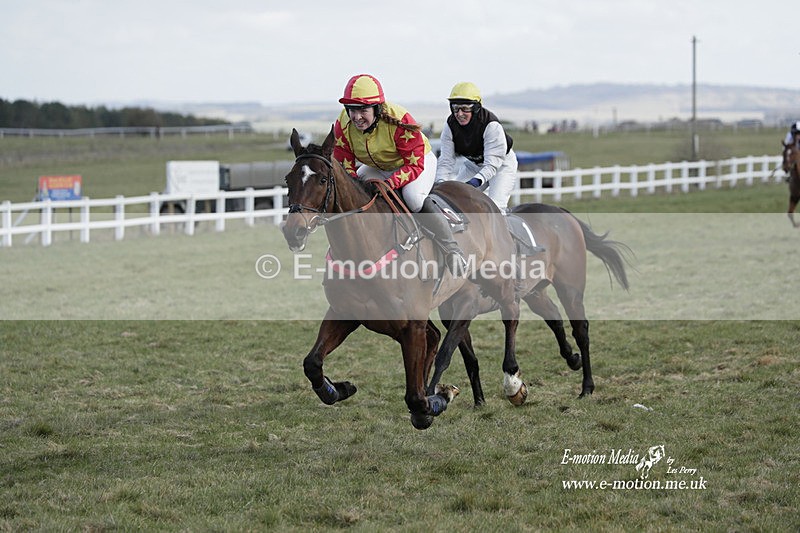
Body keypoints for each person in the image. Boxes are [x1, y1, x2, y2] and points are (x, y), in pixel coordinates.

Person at [333, 73, 467, 274]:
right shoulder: (342, 125)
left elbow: (413, 164)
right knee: (356, 188)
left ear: (377, 109)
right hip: (379, 165)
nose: (357, 117)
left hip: (417, 161)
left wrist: (390, 184)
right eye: (351, 110)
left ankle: (452, 250)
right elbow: (345, 163)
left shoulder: (399, 120)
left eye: (363, 110)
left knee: (413, 198)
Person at [435, 82, 518, 213]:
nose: (459, 113)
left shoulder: (491, 125)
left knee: (496, 209)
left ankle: (509, 231)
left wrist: (475, 182)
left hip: (501, 166)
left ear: (476, 108)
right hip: (474, 165)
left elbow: (491, 166)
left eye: (465, 108)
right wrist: (440, 183)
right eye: (455, 108)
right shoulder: (450, 126)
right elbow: (446, 160)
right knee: (452, 200)